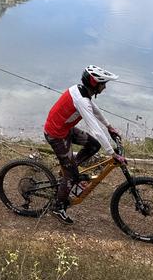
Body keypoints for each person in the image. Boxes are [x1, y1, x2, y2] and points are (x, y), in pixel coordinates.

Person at [43, 65, 126, 225]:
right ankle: (58, 206)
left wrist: (109, 127)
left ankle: (69, 169)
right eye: (103, 83)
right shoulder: (81, 100)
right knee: (72, 175)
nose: (105, 87)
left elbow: (95, 110)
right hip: (56, 134)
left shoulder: (82, 91)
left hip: (65, 129)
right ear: (94, 83)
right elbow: (95, 129)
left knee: (93, 145)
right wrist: (112, 153)